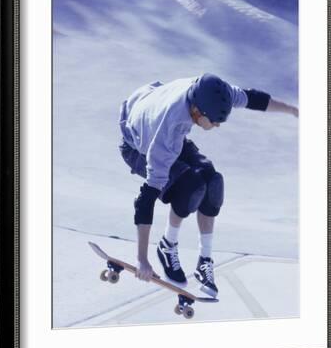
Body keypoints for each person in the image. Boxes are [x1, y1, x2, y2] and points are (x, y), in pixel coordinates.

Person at [118, 73, 298, 298]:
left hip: (154, 113)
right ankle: (167, 245)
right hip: (136, 145)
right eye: (214, 121)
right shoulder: (166, 135)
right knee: (190, 187)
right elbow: (145, 200)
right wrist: (141, 259)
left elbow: (254, 99)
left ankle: (205, 259)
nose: (217, 126)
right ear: (197, 112)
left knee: (213, 182)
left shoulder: (215, 91)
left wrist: (293, 110)